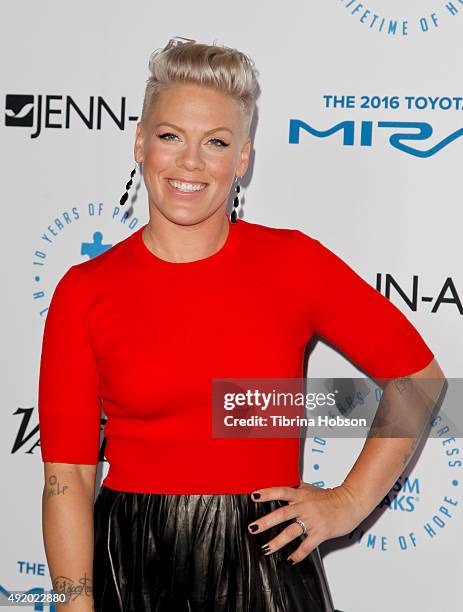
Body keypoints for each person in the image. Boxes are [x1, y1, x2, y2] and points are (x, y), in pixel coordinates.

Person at [38, 37, 444, 612]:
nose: (191, 162)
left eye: (217, 142)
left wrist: (349, 502)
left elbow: (418, 379)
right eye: (171, 136)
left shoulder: (294, 265)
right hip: (128, 562)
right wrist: (75, 606)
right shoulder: (84, 290)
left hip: (262, 561)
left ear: (243, 159)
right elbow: (69, 480)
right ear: (139, 142)